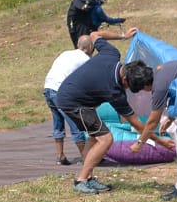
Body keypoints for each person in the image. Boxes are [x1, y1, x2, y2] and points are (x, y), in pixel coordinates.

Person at [54, 26, 143, 194]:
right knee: (106, 139)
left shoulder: (112, 54)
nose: (127, 89)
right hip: (73, 101)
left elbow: (94, 34)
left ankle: (87, 178)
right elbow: (134, 122)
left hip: (73, 97)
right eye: (129, 86)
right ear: (125, 79)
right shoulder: (114, 91)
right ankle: (81, 181)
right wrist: (159, 141)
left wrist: (123, 36)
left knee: (94, 138)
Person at [41, 31, 125, 165]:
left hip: (48, 87)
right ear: (90, 48)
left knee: (58, 123)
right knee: (76, 124)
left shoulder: (66, 53)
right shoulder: (85, 60)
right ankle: (86, 157)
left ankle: (60, 156)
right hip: (61, 92)